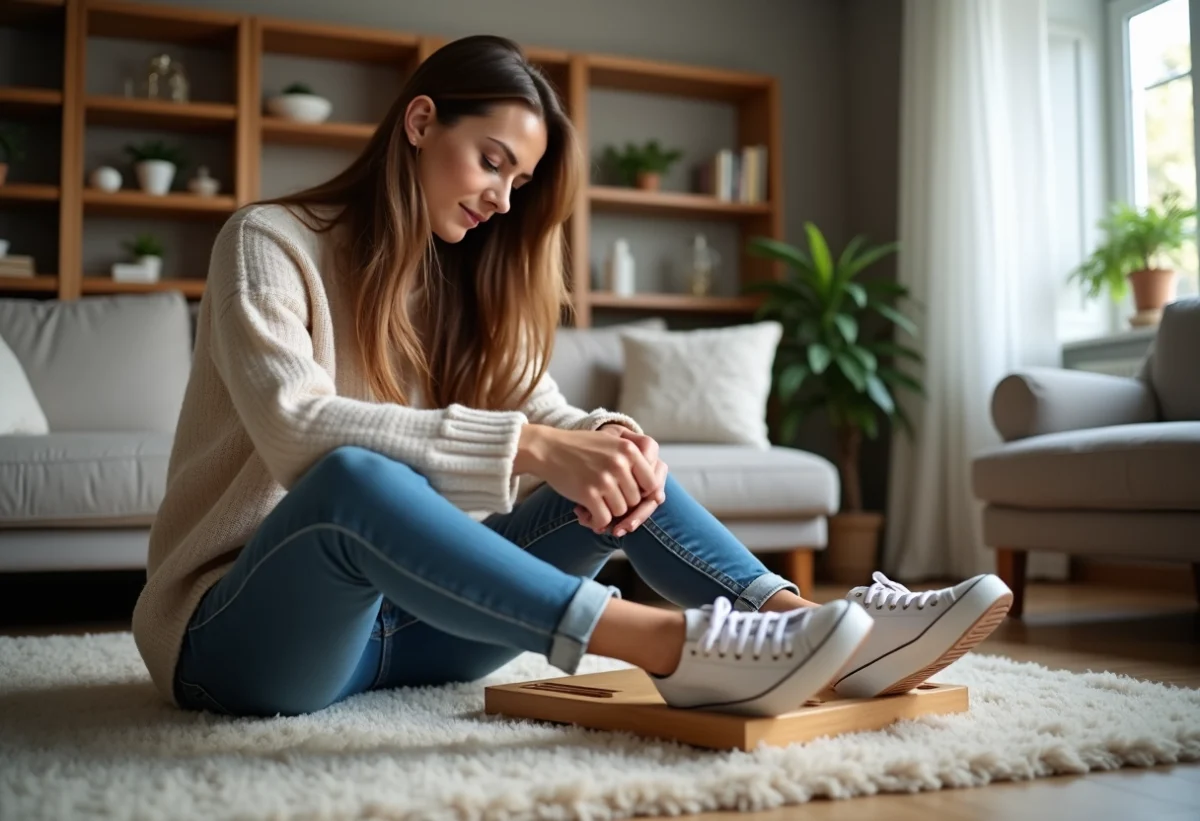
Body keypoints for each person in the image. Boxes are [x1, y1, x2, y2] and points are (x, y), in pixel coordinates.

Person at [131, 34, 1012, 721]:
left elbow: (546, 408)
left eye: (519, 180)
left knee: (610, 452)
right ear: (420, 120)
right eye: (491, 161)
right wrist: (536, 445)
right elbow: (297, 430)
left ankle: (796, 620)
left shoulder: (461, 278)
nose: (502, 200)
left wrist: (602, 442)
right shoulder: (269, 242)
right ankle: (671, 646)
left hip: (415, 631)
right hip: (244, 639)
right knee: (359, 478)